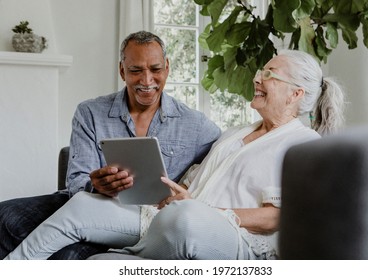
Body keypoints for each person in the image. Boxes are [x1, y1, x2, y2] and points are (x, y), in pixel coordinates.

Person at [4, 49, 345, 260]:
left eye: (269, 74)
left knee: (186, 221)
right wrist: (176, 192)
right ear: (122, 72)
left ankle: (135, 251)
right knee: (82, 207)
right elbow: (198, 184)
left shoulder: (303, 144)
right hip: (172, 216)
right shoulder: (235, 133)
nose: (257, 78)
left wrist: (202, 208)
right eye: (261, 71)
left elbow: (275, 217)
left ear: (295, 94)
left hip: (231, 238)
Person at [0, 31, 221, 260]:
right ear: (122, 70)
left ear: (167, 67)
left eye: (155, 69)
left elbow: (230, 158)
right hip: (85, 202)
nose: (147, 81)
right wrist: (96, 185)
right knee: (4, 216)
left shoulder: (196, 125)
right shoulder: (90, 113)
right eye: (136, 71)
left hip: (136, 220)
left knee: (68, 255)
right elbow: (76, 183)